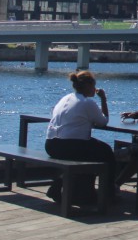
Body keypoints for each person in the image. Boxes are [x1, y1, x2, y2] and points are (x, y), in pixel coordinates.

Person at [44, 70, 114, 205]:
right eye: (93, 85)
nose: (95, 89)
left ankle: (61, 187)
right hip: (69, 146)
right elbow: (103, 122)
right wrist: (103, 99)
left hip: (51, 145)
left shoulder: (64, 98)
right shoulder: (87, 102)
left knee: (92, 152)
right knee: (106, 153)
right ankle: (108, 193)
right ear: (88, 86)